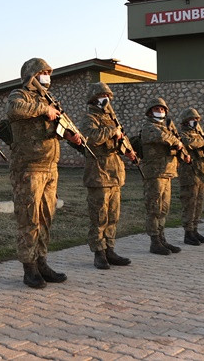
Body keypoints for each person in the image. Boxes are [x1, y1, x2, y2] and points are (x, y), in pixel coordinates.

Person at [7, 58, 83, 288]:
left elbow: (54, 127)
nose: (47, 76)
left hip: (50, 168)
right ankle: (28, 268)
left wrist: (70, 135)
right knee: (29, 219)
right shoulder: (19, 95)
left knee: (45, 219)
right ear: (32, 74)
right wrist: (44, 109)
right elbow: (14, 110)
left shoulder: (49, 100)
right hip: (29, 168)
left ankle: (42, 262)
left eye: (49, 72)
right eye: (43, 72)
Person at [80, 82, 135, 269]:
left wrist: (128, 150)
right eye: (103, 95)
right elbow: (90, 137)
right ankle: (99, 252)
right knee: (99, 216)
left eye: (108, 95)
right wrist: (113, 131)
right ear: (95, 98)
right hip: (98, 173)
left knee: (113, 215)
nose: (107, 99)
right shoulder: (89, 118)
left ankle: (110, 249)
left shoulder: (112, 119)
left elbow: (120, 140)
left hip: (114, 173)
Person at [140, 98, 187, 255]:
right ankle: (154, 241)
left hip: (167, 172)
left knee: (164, 208)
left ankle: (162, 238)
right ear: (150, 111)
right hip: (154, 173)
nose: (160, 112)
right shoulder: (149, 127)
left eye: (162, 109)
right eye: (157, 109)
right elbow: (162, 137)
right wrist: (176, 142)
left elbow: (175, 140)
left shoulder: (167, 127)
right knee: (154, 208)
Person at [177, 107, 204, 246]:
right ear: (185, 120)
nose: (194, 122)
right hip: (189, 173)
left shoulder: (199, 134)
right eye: (191, 119)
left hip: (201, 173)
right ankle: (188, 233)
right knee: (189, 204)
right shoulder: (182, 133)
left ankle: (195, 230)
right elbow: (188, 143)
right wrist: (203, 144)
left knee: (198, 204)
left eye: (196, 119)